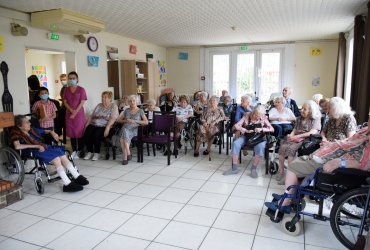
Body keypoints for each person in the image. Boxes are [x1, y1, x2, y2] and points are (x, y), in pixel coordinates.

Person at [265, 114, 370, 213]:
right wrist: (331, 144)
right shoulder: (366, 130)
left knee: (293, 167)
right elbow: (348, 142)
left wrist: (339, 162)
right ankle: (288, 195)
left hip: (334, 166)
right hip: (326, 156)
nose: (368, 119)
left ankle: (286, 203)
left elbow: (365, 164)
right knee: (299, 160)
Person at [10, 115, 89, 192]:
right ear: (20, 126)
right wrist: (36, 145)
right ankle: (67, 184)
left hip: (43, 147)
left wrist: (52, 132)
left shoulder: (31, 130)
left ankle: (77, 176)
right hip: (33, 150)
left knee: (62, 155)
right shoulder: (16, 133)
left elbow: (45, 130)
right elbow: (17, 146)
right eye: (27, 122)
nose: (30, 123)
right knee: (56, 158)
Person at [276, 100, 322, 184]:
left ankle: (289, 175)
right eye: (302, 108)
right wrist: (291, 135)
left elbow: (312, 132)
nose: (302, 110)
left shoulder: (315, 119)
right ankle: (281, 170)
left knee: (291, 149)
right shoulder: (299, 118)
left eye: (305, 109)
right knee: (282, 147)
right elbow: (295, 129)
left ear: (311, 111)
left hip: (306, 139)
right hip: (296, 137)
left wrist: (297, 136)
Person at [224, 105, 274, 177]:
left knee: (260, 147)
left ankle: (253, 169)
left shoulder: (263, 117)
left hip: (259, 138)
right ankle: (234, 169)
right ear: (253, 112)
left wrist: (262, 129)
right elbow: (236, 125)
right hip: (246, 136)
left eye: (260, 116)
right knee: (236, 144)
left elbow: (272, 129)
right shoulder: (247, 115)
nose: (258, 117)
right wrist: (245, 130)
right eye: (256, 115)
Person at [83, 91, 119, 161]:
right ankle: (90, 152)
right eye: (102, 97)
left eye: (105, 97)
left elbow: (113, 118)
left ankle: (97, 153)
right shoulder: (99, 105)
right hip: (94, 124)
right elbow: (91, 116)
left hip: (105, 126)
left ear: (110, 98)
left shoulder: (113, 106)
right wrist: (87, 124)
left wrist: (108, 128)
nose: (103, 99)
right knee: (87, 133)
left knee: (96, 135)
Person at [117, 95, 148, 165]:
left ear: (136, 102)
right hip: (126, 127)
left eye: (133, 101)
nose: (132, 102)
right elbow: (118, 120)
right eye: (130, 101)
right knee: (124, 133)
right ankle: (127, 155)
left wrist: (135, 121)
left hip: (134, 129)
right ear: (128, 102)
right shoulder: (126, 111)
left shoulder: (140, 111)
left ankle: (127, 155)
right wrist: (126, 121)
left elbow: (146, 122)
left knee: (122, 138)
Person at [63, 71, 87, 159]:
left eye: (74, 78)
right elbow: (65, 101)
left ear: (77, 79)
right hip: (69, 114)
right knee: (72, 133)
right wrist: (71, 110)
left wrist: (75, 112)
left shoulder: (81, 89)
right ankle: (74, 150)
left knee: (80, 132)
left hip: (79, 114)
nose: (72, 80)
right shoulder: (66, 89)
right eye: (70, 78)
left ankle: (80, 150)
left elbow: (82, 102)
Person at [58, 74, 68, 144]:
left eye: (64, 79)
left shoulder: (68, 88)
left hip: (66, 108)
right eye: (61, 80)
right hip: (63, 106)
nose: (62, 81)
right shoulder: (63, 88)